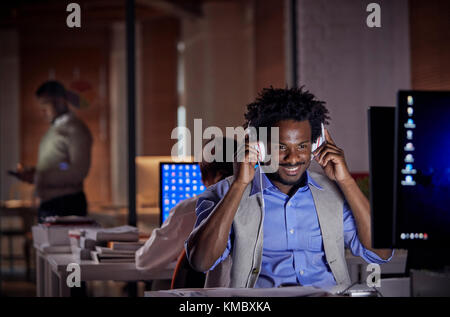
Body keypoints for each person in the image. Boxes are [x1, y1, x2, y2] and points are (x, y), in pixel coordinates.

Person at [186, 87, 393, 291]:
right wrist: (239, 185)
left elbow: (381, 253)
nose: (293, 158)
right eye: (280, 147)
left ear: (315, 144)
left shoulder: (334, 193)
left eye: (302, 146)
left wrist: (346, 180)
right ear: (259, 146)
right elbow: (200, 261)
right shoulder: (222, 193)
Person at [135, 137, 236, 273]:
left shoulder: (190, 210)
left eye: (203, 172)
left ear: (217, 176)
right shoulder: (262, 206)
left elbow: (145, 261)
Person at [13, 80, 92, 222]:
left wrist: (39, 177)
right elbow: (59, 164)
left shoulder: (75, 130)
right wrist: (34, 173)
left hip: (66, 204)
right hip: (50, 203)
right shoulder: (54, 129)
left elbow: (78, 171)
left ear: (60, 101)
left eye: (45, 104)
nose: (42, 110)